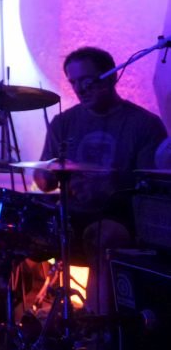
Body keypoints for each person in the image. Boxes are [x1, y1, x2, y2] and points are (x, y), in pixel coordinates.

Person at [34, 46, 167, 315]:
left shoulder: (144, 124)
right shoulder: (63, 122)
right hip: (72, 214)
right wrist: (45, 175)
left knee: (101, 235)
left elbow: (150, 190)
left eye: (87, 80)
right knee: (9, 231)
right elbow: (44, 180)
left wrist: (110, 188)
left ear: (111, 76)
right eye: (74, 82)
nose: (80, 89)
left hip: (121, 217)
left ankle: (98, 326)